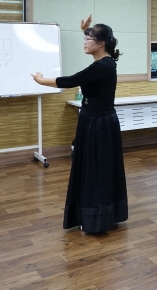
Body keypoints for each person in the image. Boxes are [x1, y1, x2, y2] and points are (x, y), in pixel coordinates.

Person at [31, 15, 127, 233]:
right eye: (85, 37)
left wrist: (41, 80)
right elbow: (83, 72)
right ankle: (95, 214)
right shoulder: (104, 62)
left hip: (99, 124)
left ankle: (98, 217)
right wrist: (86, 30)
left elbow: (71, 80)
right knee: (93, 167)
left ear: (101, 44)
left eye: (88, 38)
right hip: (94, 120)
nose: (84, 42)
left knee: (97, 169)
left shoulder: (103, 66)